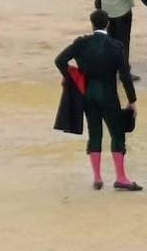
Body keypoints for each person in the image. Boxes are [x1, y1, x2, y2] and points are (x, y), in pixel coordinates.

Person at [54, 10, 141, 191]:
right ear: (107, 24)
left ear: (92, 24)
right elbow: (125, 76)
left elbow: (60, 60)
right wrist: (132, 100)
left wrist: (71, 76)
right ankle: (121, 178)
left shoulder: (81, 44)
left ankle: (97, 178)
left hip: (88, 94)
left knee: (95, 134)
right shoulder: (116, 46)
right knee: (117, 134)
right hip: (108, 94)